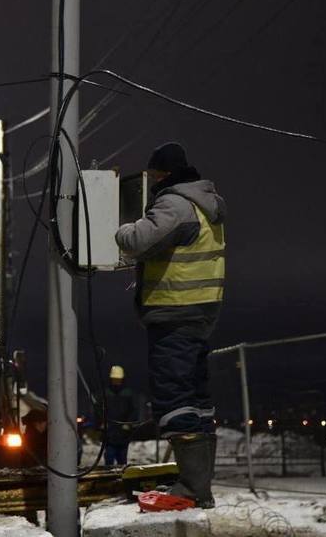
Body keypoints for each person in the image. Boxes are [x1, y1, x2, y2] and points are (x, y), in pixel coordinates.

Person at [115, 142, 226, 508]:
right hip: (200, 313)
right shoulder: (205, 204)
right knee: (197, 400)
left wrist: (120, 224)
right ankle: (199, 487)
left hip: (174, 312)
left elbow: (137, 241)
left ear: (160, 174)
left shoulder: (175, 204)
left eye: (151, 177)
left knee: (175, 398)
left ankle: (193, 489)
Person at [103, 365, 136, 466]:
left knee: (122, 460)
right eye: (114, 379)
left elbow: (133, 411)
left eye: (118, 380)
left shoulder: (128, 393)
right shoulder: (106, 393)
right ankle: (109, 479)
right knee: (109, 459)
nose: (116, 382)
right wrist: (102, 423)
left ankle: (121, 478)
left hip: (123, 433)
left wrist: (128, 424)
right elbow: (100, 410)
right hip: (110, 432)